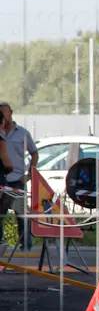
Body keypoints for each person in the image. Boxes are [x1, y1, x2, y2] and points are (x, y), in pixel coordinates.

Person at [0, 101, 38, 250]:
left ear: (11, 113)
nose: (4, 115)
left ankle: (26, 247)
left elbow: (34, 153)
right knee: (0, 215)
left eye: (5, 112)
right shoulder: (0, 134)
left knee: (22, 215)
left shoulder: (23, 133)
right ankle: (1, 246)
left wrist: (30, 174)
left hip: (17, 180)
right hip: (3, 181)